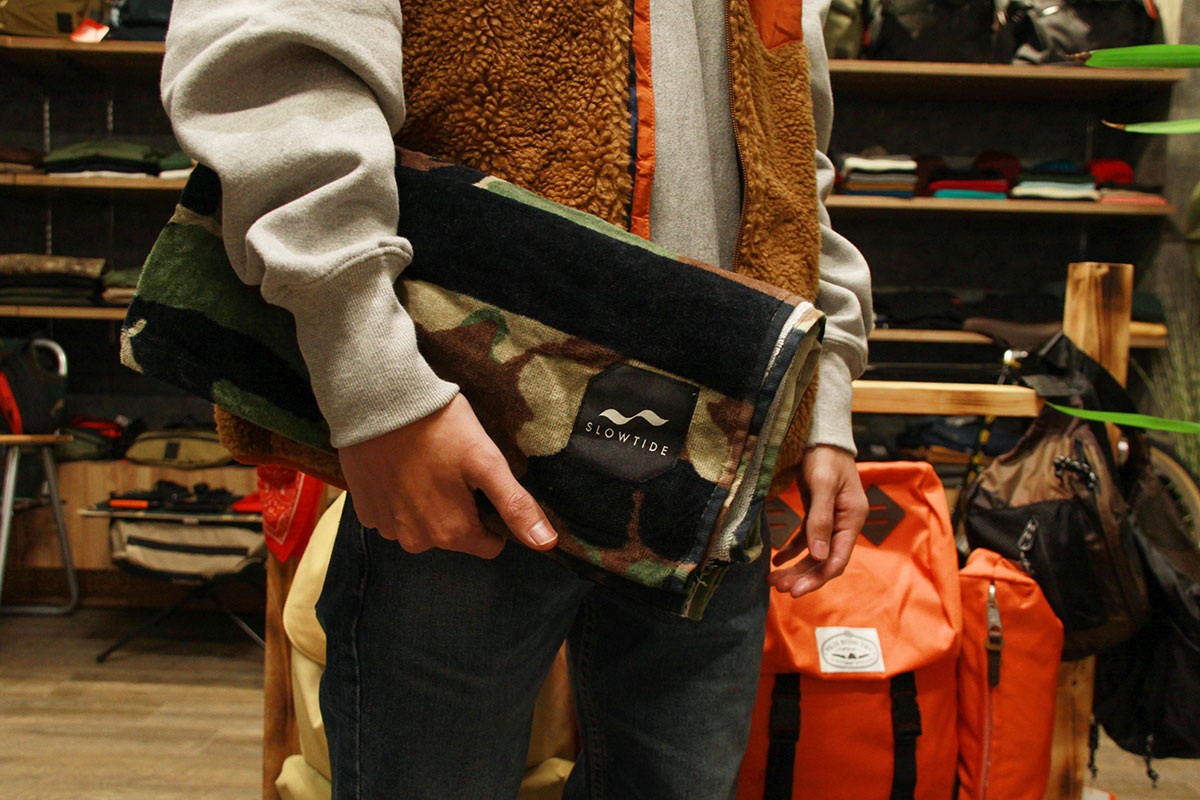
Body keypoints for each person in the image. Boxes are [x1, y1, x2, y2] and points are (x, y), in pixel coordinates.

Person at [161, 0, 873, 796]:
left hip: (719, 449)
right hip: (466, 427)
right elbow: (277, 65)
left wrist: (822, 402)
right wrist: (378, 380)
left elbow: (794, 157)